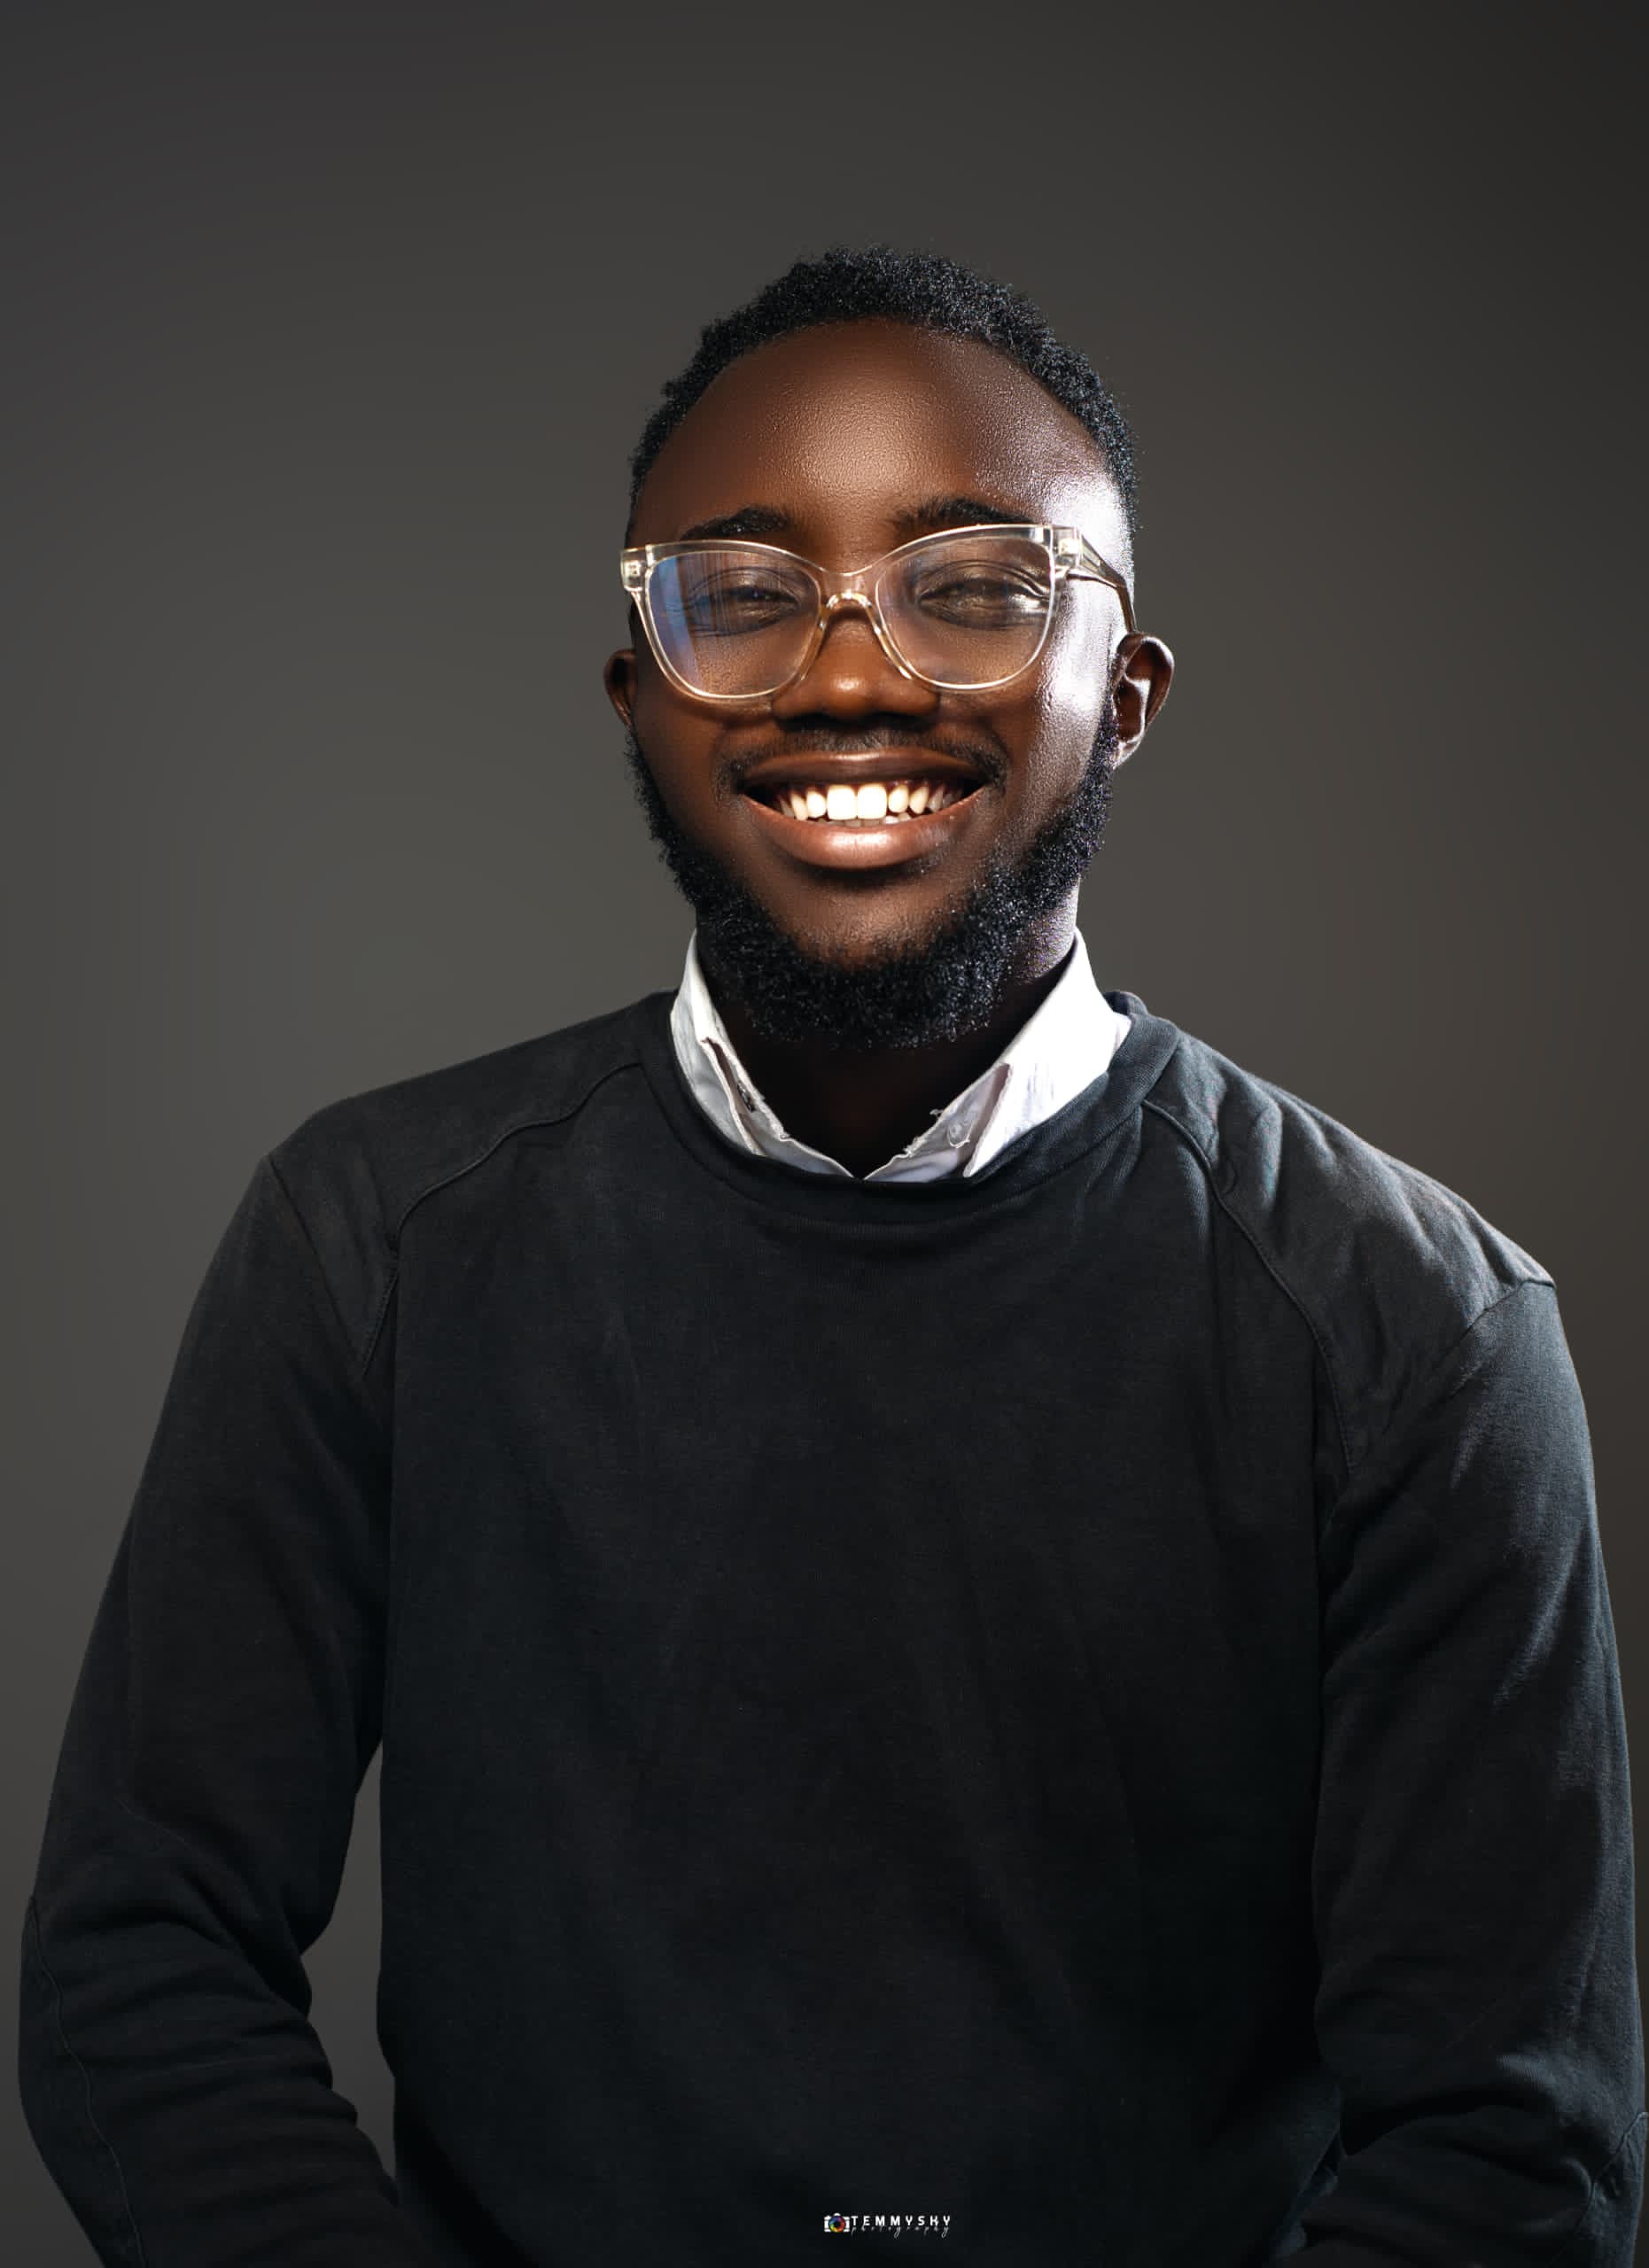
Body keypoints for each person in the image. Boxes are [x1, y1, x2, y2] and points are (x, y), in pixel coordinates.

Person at [19, 245, 1643, 2267]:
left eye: (973, 587)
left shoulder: (1414, 1325)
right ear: (639, 695)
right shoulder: (370, 1244)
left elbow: (1511, 2148)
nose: (853, 676)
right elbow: (142, 1972)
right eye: (743, 593)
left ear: (1126, 696)